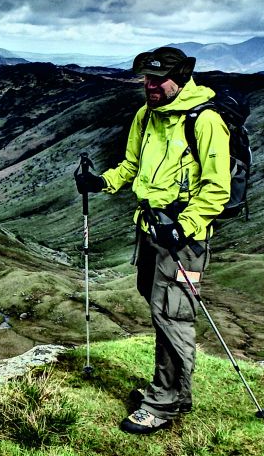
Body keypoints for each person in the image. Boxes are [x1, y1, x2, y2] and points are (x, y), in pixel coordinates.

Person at [74, 46, 231, 434]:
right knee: (160, 310)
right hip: (148, 232)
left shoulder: (205, 121)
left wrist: (184, 225)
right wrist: (102, 182)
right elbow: (131, 166)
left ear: (181, 77)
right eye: (146, 78)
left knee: (174, 315)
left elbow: (218, 188)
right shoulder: (146, 116)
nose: (150, 86)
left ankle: (163, 403)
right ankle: (172, 390)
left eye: (158, 79)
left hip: (183, 243)